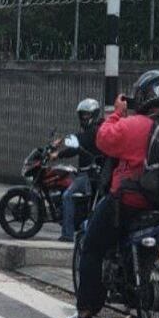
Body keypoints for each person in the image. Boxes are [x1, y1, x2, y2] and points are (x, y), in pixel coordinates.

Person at [63, 70, 159, 318]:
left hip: (129, 201)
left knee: (92, 245)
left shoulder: (135, 124)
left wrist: (116, 111)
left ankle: (85, 314)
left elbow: (104, 140)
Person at [50, 98, 104, 242]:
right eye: (82, 115)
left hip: (89, 174)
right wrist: (61, 141)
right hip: (87, 173)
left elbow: (75, 146)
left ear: (94, 114)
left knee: (67, 196)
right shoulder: (92, 131)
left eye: (86, 115)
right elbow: (76, 139)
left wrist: (58, 154)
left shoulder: (94, 132)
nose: (84, 118)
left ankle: (67, 234)